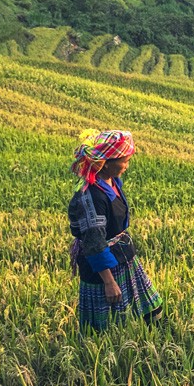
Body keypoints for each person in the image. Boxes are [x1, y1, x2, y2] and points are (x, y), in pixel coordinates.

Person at [69, 128, 164, 331]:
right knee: (102, 327)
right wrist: (109, 282)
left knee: (153, 310)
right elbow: (94, 243)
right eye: (125, 161)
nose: (127, 166)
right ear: (105, 164)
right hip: (102, 268)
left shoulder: (111, 182)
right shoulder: (91, 196)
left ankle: (157, 343)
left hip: (124, 257)